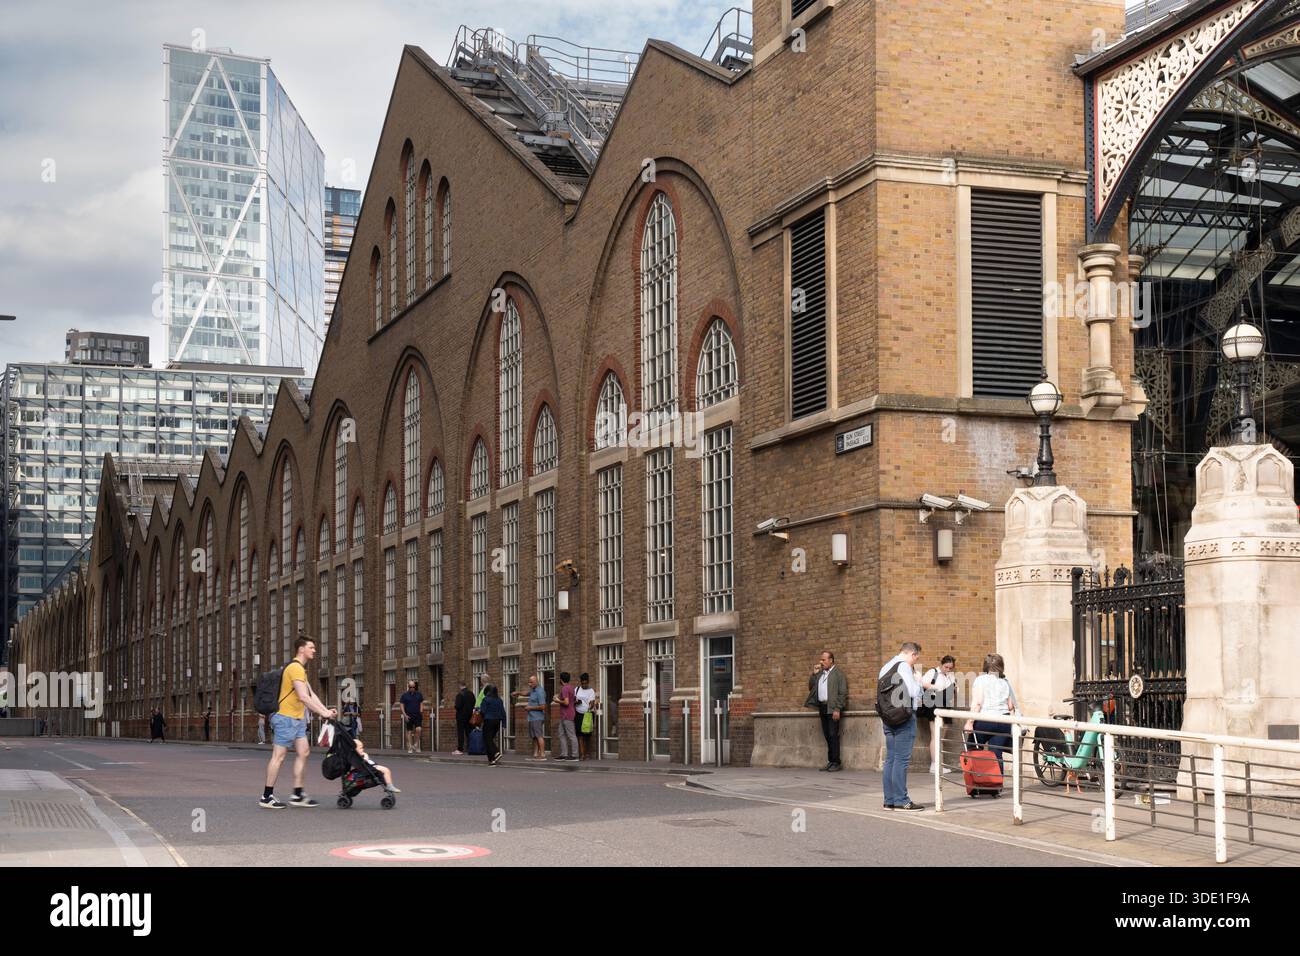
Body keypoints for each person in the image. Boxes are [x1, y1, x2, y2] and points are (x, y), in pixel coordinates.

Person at [261, 636, 337, 809]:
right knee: (278, 756)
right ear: (301, 649)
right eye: (311, 647)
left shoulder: (300, 670)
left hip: (297, 718)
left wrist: (326, 711)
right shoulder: (295, 668)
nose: (314, 650)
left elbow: (311, 695)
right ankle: (266, 796)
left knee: (303, 751)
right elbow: (303, 697)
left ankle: (297, 794)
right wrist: (323, 713)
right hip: (285, 718)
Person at [879, 642, 924, 810]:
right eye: (916, 658)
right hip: (904, 717)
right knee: (901, 760)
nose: (915, 662)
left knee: (890, 759)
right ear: (912, 654)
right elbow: (912, 692)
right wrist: (918, 681)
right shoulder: (903, 666)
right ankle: (901, 800)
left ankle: (889, 800)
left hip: (888, 717)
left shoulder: (886, 666)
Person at [964, 653, 1018, 774]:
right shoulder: (1005, 682)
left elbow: (978, 703)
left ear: (985, 665)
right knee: (996, 753)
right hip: (1003, 721)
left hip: (984, 720)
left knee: (973, 748)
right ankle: (997, 782)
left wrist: (969, 722)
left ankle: (977, 779)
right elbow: (1010, 706)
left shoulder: (980, 680)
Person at [806, 651, 847, 772]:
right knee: (827, 735)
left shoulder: (838, 674)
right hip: (822, 707)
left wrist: (837, 709)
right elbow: (811, 687)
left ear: (831, 660)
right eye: (821, 660)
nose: (821, 662)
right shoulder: (820, 674)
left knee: (833, 735)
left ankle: (836, 762)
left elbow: (842, 693)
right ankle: (831, 761)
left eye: (823, 660)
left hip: (832, 708)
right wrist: (814, 674)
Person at [918, 655, 957, 774]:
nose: (948, 670)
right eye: (946, 667)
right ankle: (934, 765)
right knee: (935, 735)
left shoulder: (950, 676)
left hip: (945, 705)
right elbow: (922, 683)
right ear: (941, 664)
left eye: (950, 668)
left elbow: (953, 691)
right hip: (934, 704)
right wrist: (936, 688)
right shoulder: (933, 672)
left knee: (941, 737)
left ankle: (939, 764)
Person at [515, 674, 547, 759]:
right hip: (532, 717)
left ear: (536, 682)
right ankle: (535, 753)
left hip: (537, 717)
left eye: (531, 682)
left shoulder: (540, 692)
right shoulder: (533, 690)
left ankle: (542, 754)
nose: (529, 684)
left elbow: (543, 706)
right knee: (534, 737)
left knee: (539, 735)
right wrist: (518, 693)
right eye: (529, 682)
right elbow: (526, 693)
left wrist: (530, 708)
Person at [479, 684, 507, 766]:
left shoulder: (486, 699)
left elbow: (483, 711)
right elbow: (503, 712)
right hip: (497, 722)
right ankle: (492, 761)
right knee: (490, 740)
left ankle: (496, 752)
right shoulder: (499, 700)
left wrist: (480, 717)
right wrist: (504, 724)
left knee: (487, 740)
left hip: (488, 721)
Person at [554, 671, 578, 761]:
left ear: (561, 680)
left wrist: (557, 700)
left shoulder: (564, 688)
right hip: (567, 714)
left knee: (571, 735)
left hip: (567, 715)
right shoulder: (571, 688)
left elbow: (566, 702)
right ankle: (564, 754)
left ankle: (575, 755)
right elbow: (574, 700)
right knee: (561, 734)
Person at [574, 673, 598, 760]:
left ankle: (587, 753)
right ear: (580, 682)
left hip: (587, 715)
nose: (584, 685)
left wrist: (590, 706)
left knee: (587, 735)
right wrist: (577, 702)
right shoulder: (576, 689)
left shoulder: (591, 691)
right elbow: (573, 700)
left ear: (588, 682)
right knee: (579, 735)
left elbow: (592, 704)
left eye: (585, 683)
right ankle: (582, 754)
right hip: (578, 714)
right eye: (582, 683)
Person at [399, 679, 425, 754]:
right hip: (408, 715)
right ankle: (410, 747)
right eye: (411, 687)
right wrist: (405, 715)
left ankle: (416, 744)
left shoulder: (419, 694)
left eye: (413, 687)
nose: (412, 688)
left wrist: (421, 711)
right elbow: (401, 705)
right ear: (408, 687)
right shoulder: (404, 695)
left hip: (417, 715)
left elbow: (421, 703)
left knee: (418, 729)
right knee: (409, 731)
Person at [453, 681, 475, 755]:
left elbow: (458, 706)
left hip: (461, 717)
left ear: (460, 686)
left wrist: (456, 706)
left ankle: (460, 749)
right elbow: (474, 703)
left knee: (461, 733)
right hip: (470, 716)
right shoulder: (471, 694)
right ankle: (470, 748)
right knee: (469, 732)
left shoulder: (460, 695)